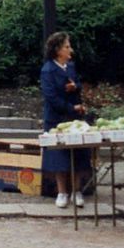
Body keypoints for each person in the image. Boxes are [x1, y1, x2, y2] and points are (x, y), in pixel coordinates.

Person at [40, 31, 90, 208]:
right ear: (57, 50)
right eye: (67, 47)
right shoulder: (48, 70)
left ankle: (77, 190)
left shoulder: (71, 66)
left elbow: (78, 83)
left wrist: (75, 86)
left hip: (75, 118)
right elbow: (51, 96)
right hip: (57, 118)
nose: (70, 50)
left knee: (78, 154)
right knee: (59, 155)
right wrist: (70, 107)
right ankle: (62, 192)